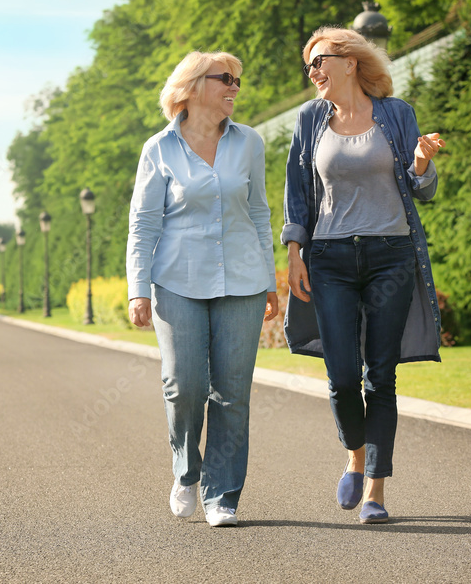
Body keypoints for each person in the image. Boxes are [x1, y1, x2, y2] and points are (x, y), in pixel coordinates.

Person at [281, 27, 446, 524]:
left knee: (381, 373)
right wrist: (294, 253)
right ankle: (354, 451)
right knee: (341, 375)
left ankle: (375, 489)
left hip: (390, 257)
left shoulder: (396, 114)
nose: (313, 73)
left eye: (319, 62)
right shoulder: (310, 119)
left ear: (349, 62)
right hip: (329, 258)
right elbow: (297, 191)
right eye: (309, 65)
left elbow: (421, 188)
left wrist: (421, 163)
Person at [127, 51, 279, 527]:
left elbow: (259, 212)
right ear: (192, 87)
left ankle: (222, 494)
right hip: (177, 281)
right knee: (184, 386)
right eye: (225, 79)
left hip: (243, 281)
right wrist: (138, 289)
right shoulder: (159, 148)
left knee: (232, 392)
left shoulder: (248, 142)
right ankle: (186, 470)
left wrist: (269, 277)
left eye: (238, 79)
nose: (235, 86)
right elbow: (144, 223)